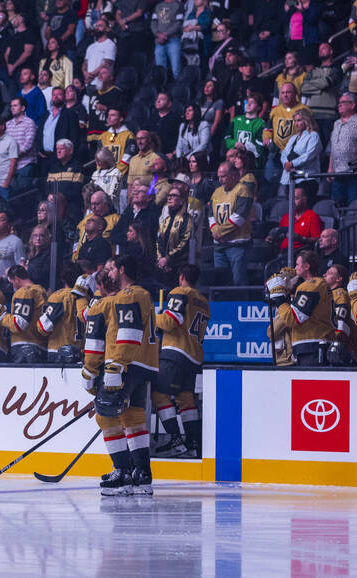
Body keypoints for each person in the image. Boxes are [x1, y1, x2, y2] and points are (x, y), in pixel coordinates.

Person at [82, 255, 158, 496]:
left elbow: (127, 330)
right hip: (141, 364)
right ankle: (141, 473)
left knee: (106, 417)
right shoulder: (140, 294)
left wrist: (112, 366)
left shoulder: (129, 295)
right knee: (133, 415)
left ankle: (122, 472)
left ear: (122, 269)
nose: (108, 272)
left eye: (110, 268)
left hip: (125, 364)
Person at [152, 264, 209, 458]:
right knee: (186, 400)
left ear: (182, 276)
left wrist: (153, 316)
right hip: (194, 356)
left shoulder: (179, 292)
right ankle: (192, 444)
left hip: (175, 352)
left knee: (159, 395)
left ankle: (175, 439)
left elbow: (170, 321)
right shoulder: (203, 300)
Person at [266, 251, 334, 366]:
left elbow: (292, 319)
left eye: (297, 264)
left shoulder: (311, 286)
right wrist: (288, 290)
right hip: (314, 345)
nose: (295, 268)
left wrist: (279, 299)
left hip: (312, 345)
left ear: (307, 266)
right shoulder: (315, 285)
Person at [209, 158, 255, 286]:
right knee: (220, 281)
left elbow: (239, 216)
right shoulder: (216, 192)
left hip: (237, 245)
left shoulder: (243, 190)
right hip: (219, 245)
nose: (220, 180)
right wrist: (215, 232)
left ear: (234, 175)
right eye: (219, 177)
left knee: (238, 281)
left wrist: (219, 232)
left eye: (223, 176)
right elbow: (211, 215)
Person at [0, 264, 47, 363]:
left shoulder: (24, 292)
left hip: (25, 346)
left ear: (16, 279)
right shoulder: (42, 291)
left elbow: (19, 324)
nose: (12, 286)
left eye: (11, 282)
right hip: (40, 345)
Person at [327, 93, 357, 205]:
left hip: (354, 175)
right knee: (337, 208)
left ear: (352, 105)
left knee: (353, 207)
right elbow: (334, 149)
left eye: (343, 103)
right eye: (339, 103)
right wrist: (330, 169)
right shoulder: (336, 123)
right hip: (337, 175)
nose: (339, 105)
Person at [36, 262, 89, 364]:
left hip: (57, 352)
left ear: (62, 278)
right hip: (80, 353)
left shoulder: (58, 296)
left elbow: (43, 328)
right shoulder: (85, 297)